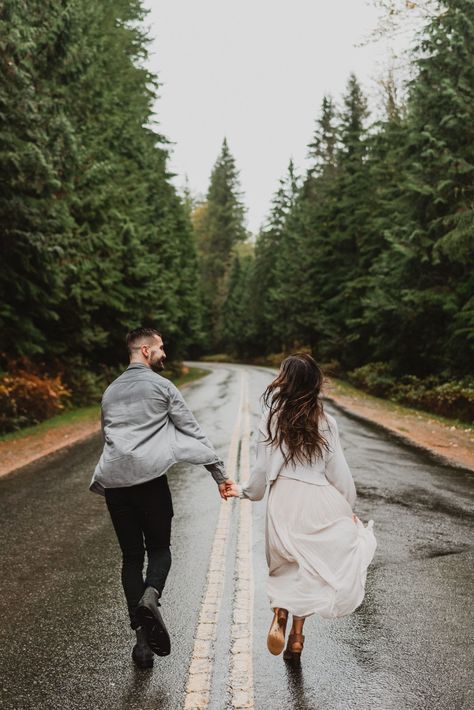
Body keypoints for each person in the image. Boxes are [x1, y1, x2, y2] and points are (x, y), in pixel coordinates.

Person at [90, 327, 232, 668]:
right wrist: (220, 475)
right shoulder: (162, 386)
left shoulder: (109, 392)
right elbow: (191, 430)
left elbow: (108, 437)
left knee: (130, 558)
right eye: (160, 348)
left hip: (115, 485)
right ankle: (151, 596)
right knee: (159, 550)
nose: (164, 353)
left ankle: (142, 645)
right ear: (144, 350)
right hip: (150, 483)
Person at [226, 353, 376, 663]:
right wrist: (347, 509)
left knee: (283, 565)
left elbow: (259, 475)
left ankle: (279, 612)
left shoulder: (271, 419)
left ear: (285, 382)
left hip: (284, 498)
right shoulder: (326, 421)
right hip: (320, 499)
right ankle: (296, 637)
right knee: (309, 569)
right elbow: (340, 473)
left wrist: (243, 491)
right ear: (313, 383)